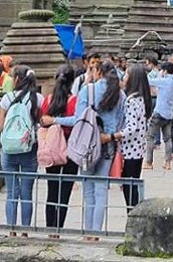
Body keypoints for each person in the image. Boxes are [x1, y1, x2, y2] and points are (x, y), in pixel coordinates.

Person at [44, 59, 126, 240]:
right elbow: (122, 122)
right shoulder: (120, 95)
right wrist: (112, 135)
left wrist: (55, 120)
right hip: (108, 144)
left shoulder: (87, 90)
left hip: (87, 144)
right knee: (101, 189)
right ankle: (96, 232)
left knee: (88, 191)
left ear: (97, 72)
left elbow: (77, 120)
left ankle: (88, 232)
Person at [0, 64, 44, 234]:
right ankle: (25, 230)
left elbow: (1, 126)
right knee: (26, 193)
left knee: (11, 193)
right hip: (28, 149)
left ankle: (11, 230)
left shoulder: (6, 98)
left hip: (8, 150)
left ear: (16, 79)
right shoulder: (37, 98)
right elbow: (40, 123)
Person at [40, 64, 78, 236]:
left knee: (52, 189)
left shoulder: (47, 100)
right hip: (69, 148)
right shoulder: (74, 101)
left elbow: (41, 120)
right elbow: (78, 122)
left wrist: (52, 121)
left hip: (51, 148)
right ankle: (58, 228)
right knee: (65, 193)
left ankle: (50, 229)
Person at [121, 64, 151, 208]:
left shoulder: (132, 101)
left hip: (130, 150)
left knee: (129, 186)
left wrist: (116, 135)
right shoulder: (141, 99)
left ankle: (133, 216)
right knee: (133, 185)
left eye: (127, 74)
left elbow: (131, 127)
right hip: (138, 148)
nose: (124, 77)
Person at [146, 60, 173, 170]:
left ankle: (149, 162)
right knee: (168, 139)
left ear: (165, 71)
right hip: (169, 114)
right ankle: (167, 162)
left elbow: (149, 81)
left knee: (150, 137)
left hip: (159, 112)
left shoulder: (164, 81)